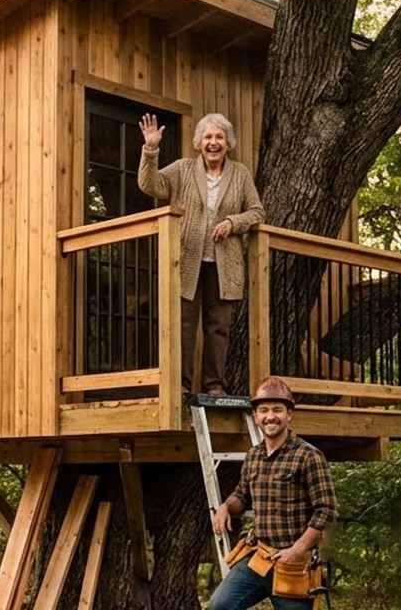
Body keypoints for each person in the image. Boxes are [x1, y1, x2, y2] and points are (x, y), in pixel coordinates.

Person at [138, 112, 264, 396]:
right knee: (183, 326)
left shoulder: (240, 174)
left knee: (218, 328)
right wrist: (150, 149)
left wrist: (232, 222)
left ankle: (214, 386)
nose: (213, 142)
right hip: (187, 260)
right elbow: (150, 185)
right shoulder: (182, 169)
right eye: (208, 137)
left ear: (228, 143)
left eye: (219, 137)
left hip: (224, 265)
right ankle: (181, 385)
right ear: (199, 142)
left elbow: (257, 211)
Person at [208, 377, 337, 610]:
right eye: (264, 410)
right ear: (255, 416)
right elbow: (242, 495)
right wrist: (225, 507)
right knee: (220, 605)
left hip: (293, 565)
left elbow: (326, 510)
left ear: (289, 414)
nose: (270, 416)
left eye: (277, 410)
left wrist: (297, 550)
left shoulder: (309, 456)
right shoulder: (253, 456)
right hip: (260, 558)